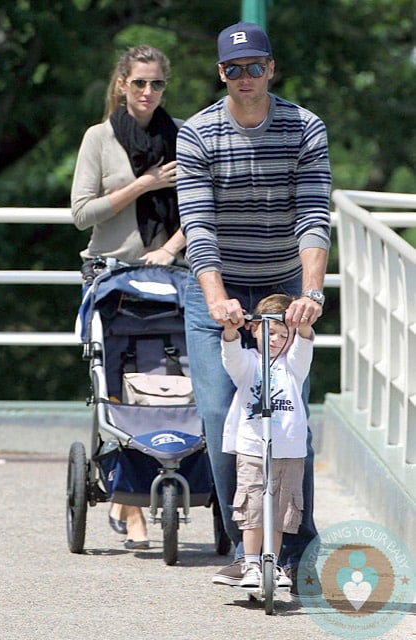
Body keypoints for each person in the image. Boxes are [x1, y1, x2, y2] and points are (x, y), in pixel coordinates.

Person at [176, 21, 331, 599]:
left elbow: (313, 214)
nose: (245, 78)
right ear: (221, 74)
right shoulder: (196, 134)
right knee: (223, 419)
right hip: (216, 288)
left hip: (283, 283)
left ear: (271, 68)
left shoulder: (304, 127)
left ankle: (295, 548)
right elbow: (200, 225)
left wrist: (309, 294)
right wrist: (216, 297)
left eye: (255, 67)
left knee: (290, 420)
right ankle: (245, 543)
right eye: (234, 70)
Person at [71, 45, 186, 550]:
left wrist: (170, 249)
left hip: (172, 274)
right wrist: (143, 185)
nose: (147, 93)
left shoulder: (183, 135)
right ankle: (129, 499)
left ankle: (151, 484)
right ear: (122, 84)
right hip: (112, 275)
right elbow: (82, 213)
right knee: (115, 379)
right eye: (139, 83)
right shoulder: (98, 138)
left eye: (156, 84)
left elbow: (199, 212)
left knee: (169, 378)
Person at [221, 294, 314, 588]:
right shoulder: (248, 363)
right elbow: (231, 356)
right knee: (253, 508)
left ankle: (271, 563)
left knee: (279, 510)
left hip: (287, 448)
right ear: (255, 330)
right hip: (252, 446)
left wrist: (304, 325)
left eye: (283, 335)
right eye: (270, 332)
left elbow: (304, 345)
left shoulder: (292, 367)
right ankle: (250, 564)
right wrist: (230, 330)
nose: (276, 340)